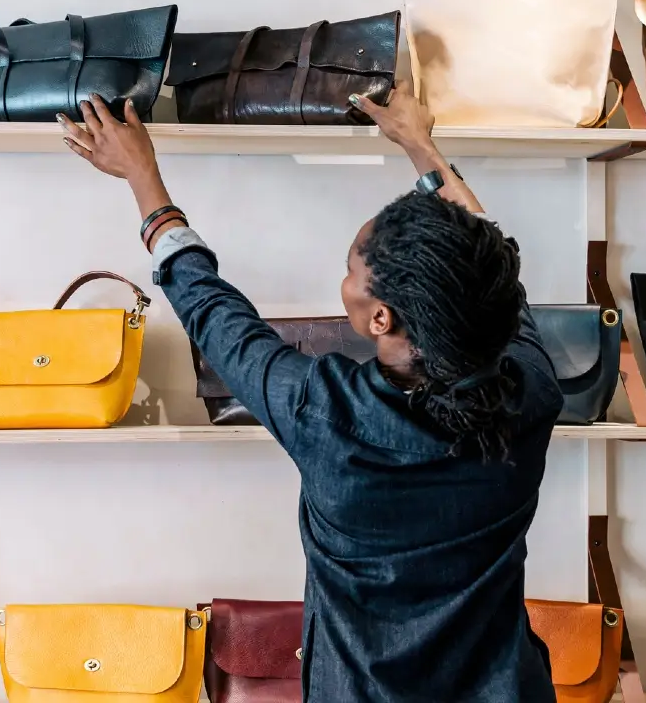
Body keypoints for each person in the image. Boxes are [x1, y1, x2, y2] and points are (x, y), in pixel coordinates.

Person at [59, 88, 562, 703]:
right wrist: (420, 146)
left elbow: (219, 321)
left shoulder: (322, 411)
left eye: (350, 268)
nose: (343, 279)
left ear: (380, 318)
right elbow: (488, 265)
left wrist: (142, 177)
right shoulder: (530, 390)